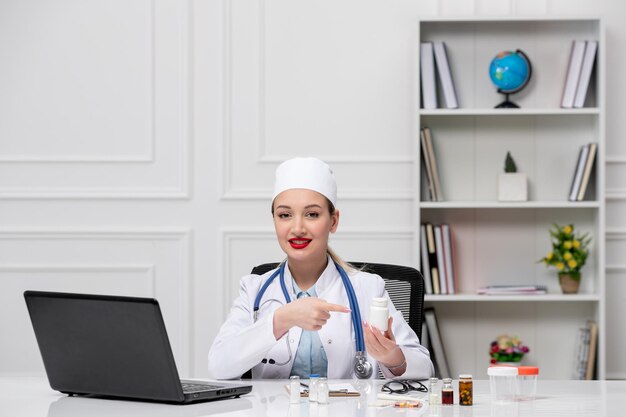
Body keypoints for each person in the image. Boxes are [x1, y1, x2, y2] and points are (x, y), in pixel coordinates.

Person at [208, 157, 433, 380]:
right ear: (275, 220)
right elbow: (218, 366)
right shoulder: (254, 289)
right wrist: (281, 320)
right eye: (285, 215)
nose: (297, 228)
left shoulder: (367, 287)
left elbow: (424, 367)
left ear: (333, 221)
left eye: (312, 214)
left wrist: (393, 357)